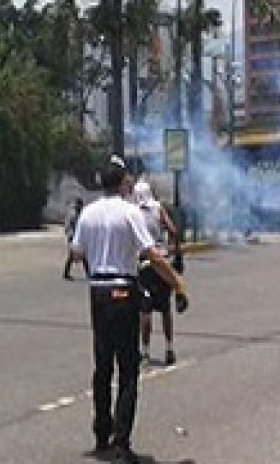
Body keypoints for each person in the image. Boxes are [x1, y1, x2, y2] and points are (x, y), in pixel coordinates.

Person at [70, 156, 190, 462]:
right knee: (127, 370)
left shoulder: (89, 214)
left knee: (102, 365)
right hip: (124, 289)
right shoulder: (129, 213)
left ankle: (101, 434)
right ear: (123, 183)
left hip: (97, 292)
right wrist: (177, 283)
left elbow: (76, 254)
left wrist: (96, 271)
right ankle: (121, 443)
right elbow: (151, 252)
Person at [133, 180, 181, 366]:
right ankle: (169, 348)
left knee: (145, 311)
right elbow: (173, 231)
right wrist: (175, 254)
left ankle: (145, 352)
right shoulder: (158, 209)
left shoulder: (134, 213)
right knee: (165, 309)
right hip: (161, 261)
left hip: (144, 265)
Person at [63, 198, 89, 280]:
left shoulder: (82, 214)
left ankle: (88, 273)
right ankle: (66, 273)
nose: (80, 207)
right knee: (72, 255)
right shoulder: (73, 215)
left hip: (80, 237)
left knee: (84, 255)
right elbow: (68, 226)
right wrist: (70, 236)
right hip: (74, 237)